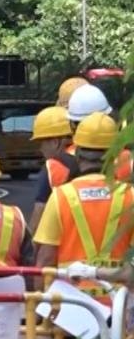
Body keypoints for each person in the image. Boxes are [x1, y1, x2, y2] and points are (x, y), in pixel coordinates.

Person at [33, 112, 134, 287]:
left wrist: (37, 304)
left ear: (78, 154)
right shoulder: (130, 195)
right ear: (114, 156)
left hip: (74, 303)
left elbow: (45, 260)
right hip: (119, 304)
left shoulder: (60, 196)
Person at [28, 106, 77, 233]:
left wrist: (26, 244)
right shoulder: (96, 155)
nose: (40, 149)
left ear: (55, 142)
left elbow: (39, 213)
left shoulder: (53, 166)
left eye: (41, 143)